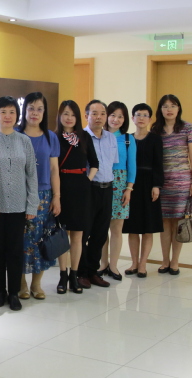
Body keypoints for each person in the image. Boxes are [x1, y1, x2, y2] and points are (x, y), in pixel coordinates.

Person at [0, 96, 39, 311]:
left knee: (16, 251)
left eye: (11, 112)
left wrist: (32, 204)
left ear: (17, 115)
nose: (7, 116)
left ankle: (14, 292)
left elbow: (32, 174)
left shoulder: (24, 141)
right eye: (3, 112)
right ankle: (0, 290)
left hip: (19, 205)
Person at [17, 92, 61, 300]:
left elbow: (54, 170)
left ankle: (36, 283)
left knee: (40, 239)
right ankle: (21, 283)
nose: (35, 113)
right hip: (19, 195)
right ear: (24, 110)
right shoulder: (16, 135)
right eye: (31, 108)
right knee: (21, 239)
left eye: (39, 109)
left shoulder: (50, 137)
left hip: (43, 195)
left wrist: (57, 196)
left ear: (44, 112)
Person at [151, 94, 192, 276]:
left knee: (179, 222)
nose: (169, 109)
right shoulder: (155, 130)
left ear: (179, 108)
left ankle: (175, 261)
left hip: (182, 182)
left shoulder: (188, 128)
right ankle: (165, 260)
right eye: (165, 106)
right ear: (160, 110)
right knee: (164, 222)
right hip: (162, 182)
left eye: (173, 105)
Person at [54, 100, 98, 294]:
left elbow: (94, 163)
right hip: (61, 187)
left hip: (81, 188)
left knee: (78, 235)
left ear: (78, 117)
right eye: (65, 113)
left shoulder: (85, 136)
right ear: (60, 116)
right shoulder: (54, 137)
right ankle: (62, 275)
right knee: (62, 234)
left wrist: (87, 180)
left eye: (72, 114)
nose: (69, 118)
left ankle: (74, 274)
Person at [79, 99, 118, 289]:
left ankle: (93, 272)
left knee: (100, 234)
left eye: (102, 114)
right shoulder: (80, 137)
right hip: (89, 190)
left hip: (107, 188)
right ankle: (81, 272)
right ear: (86, 116)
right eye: (94, 113)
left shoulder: (111, 138)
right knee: (83, 233)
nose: (99, 117)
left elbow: (112, 164)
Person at [123, 104, 164, 277]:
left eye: (145, 115)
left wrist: (156, 185)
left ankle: (143, 264)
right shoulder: (127, 138)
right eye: (138, 115)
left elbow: (158, 164)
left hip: (149, 185)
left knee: (148, 227)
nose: (141, 118)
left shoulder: (155, 139)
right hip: (131, 185)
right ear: (132, 118)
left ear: (150, 119)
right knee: (132, 227)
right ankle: (133, 263)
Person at [98, 101, 136, 281]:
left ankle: (113, 265)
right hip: (101, 182)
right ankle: (102, 263)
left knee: (116, 228)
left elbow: (132, 166)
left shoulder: (128, 139)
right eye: (113, 115)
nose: (116, 119)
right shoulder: (99, 136)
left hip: (120, 185)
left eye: (120, 116)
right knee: (100, 226)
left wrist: (129, 189)